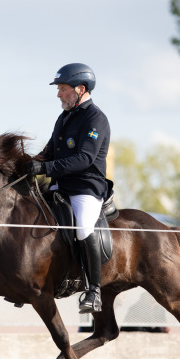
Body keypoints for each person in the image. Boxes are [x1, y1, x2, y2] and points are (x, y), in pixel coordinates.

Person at [26, 63, 111, 314]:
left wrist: (44, 170)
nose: (59, 94)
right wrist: (26, 164)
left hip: (86, 188)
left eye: (63, 89)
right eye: (59, 89)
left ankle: (93, 290)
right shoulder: (64, 118)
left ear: (80, 89)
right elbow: (49, 153)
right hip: (60, 187)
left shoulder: (96, 119)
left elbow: (84, 159)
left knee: (84, 228)